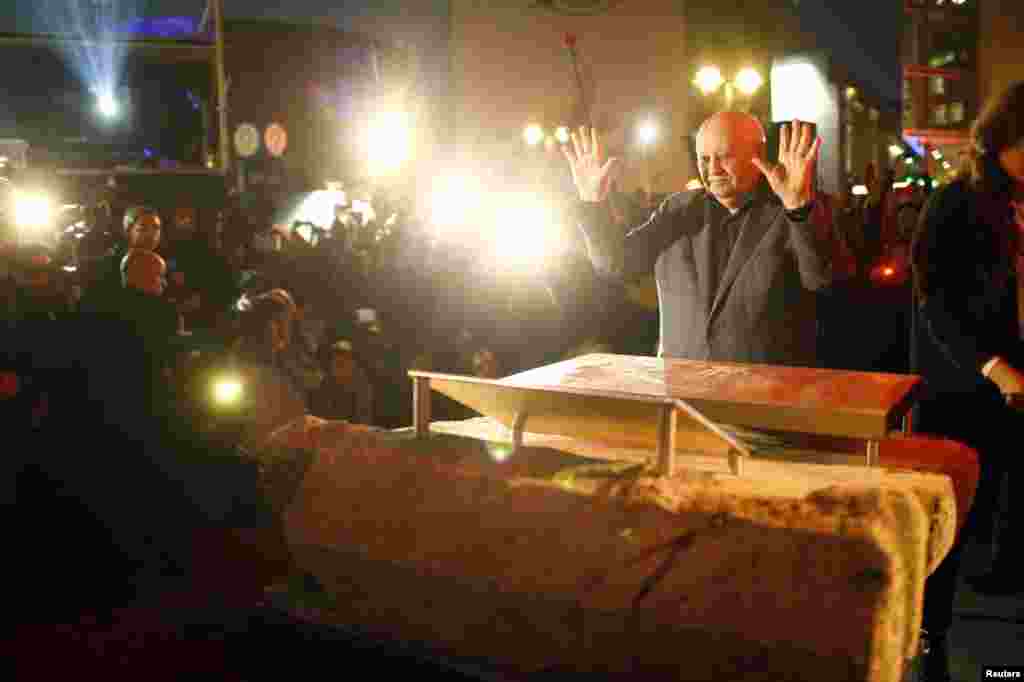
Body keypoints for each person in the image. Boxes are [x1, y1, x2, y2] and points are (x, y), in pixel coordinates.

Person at [910, 80, 1024, 681]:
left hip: (1017, 385)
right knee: (951, 527)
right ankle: (933, 642)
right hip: (962, 388)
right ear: (1003, 139)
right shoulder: (956, 202)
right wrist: (993, 366)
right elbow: (936, 306)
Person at [564, 113, 831, 365]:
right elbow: (617, 265)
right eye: (703, 158)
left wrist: (798, 209)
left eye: (724, 157)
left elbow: (823, 278)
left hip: (764, 394)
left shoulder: (792, 210)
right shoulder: (678, 210)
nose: (712, 168)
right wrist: (592, 203)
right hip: (682, 389)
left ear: (758, 156)